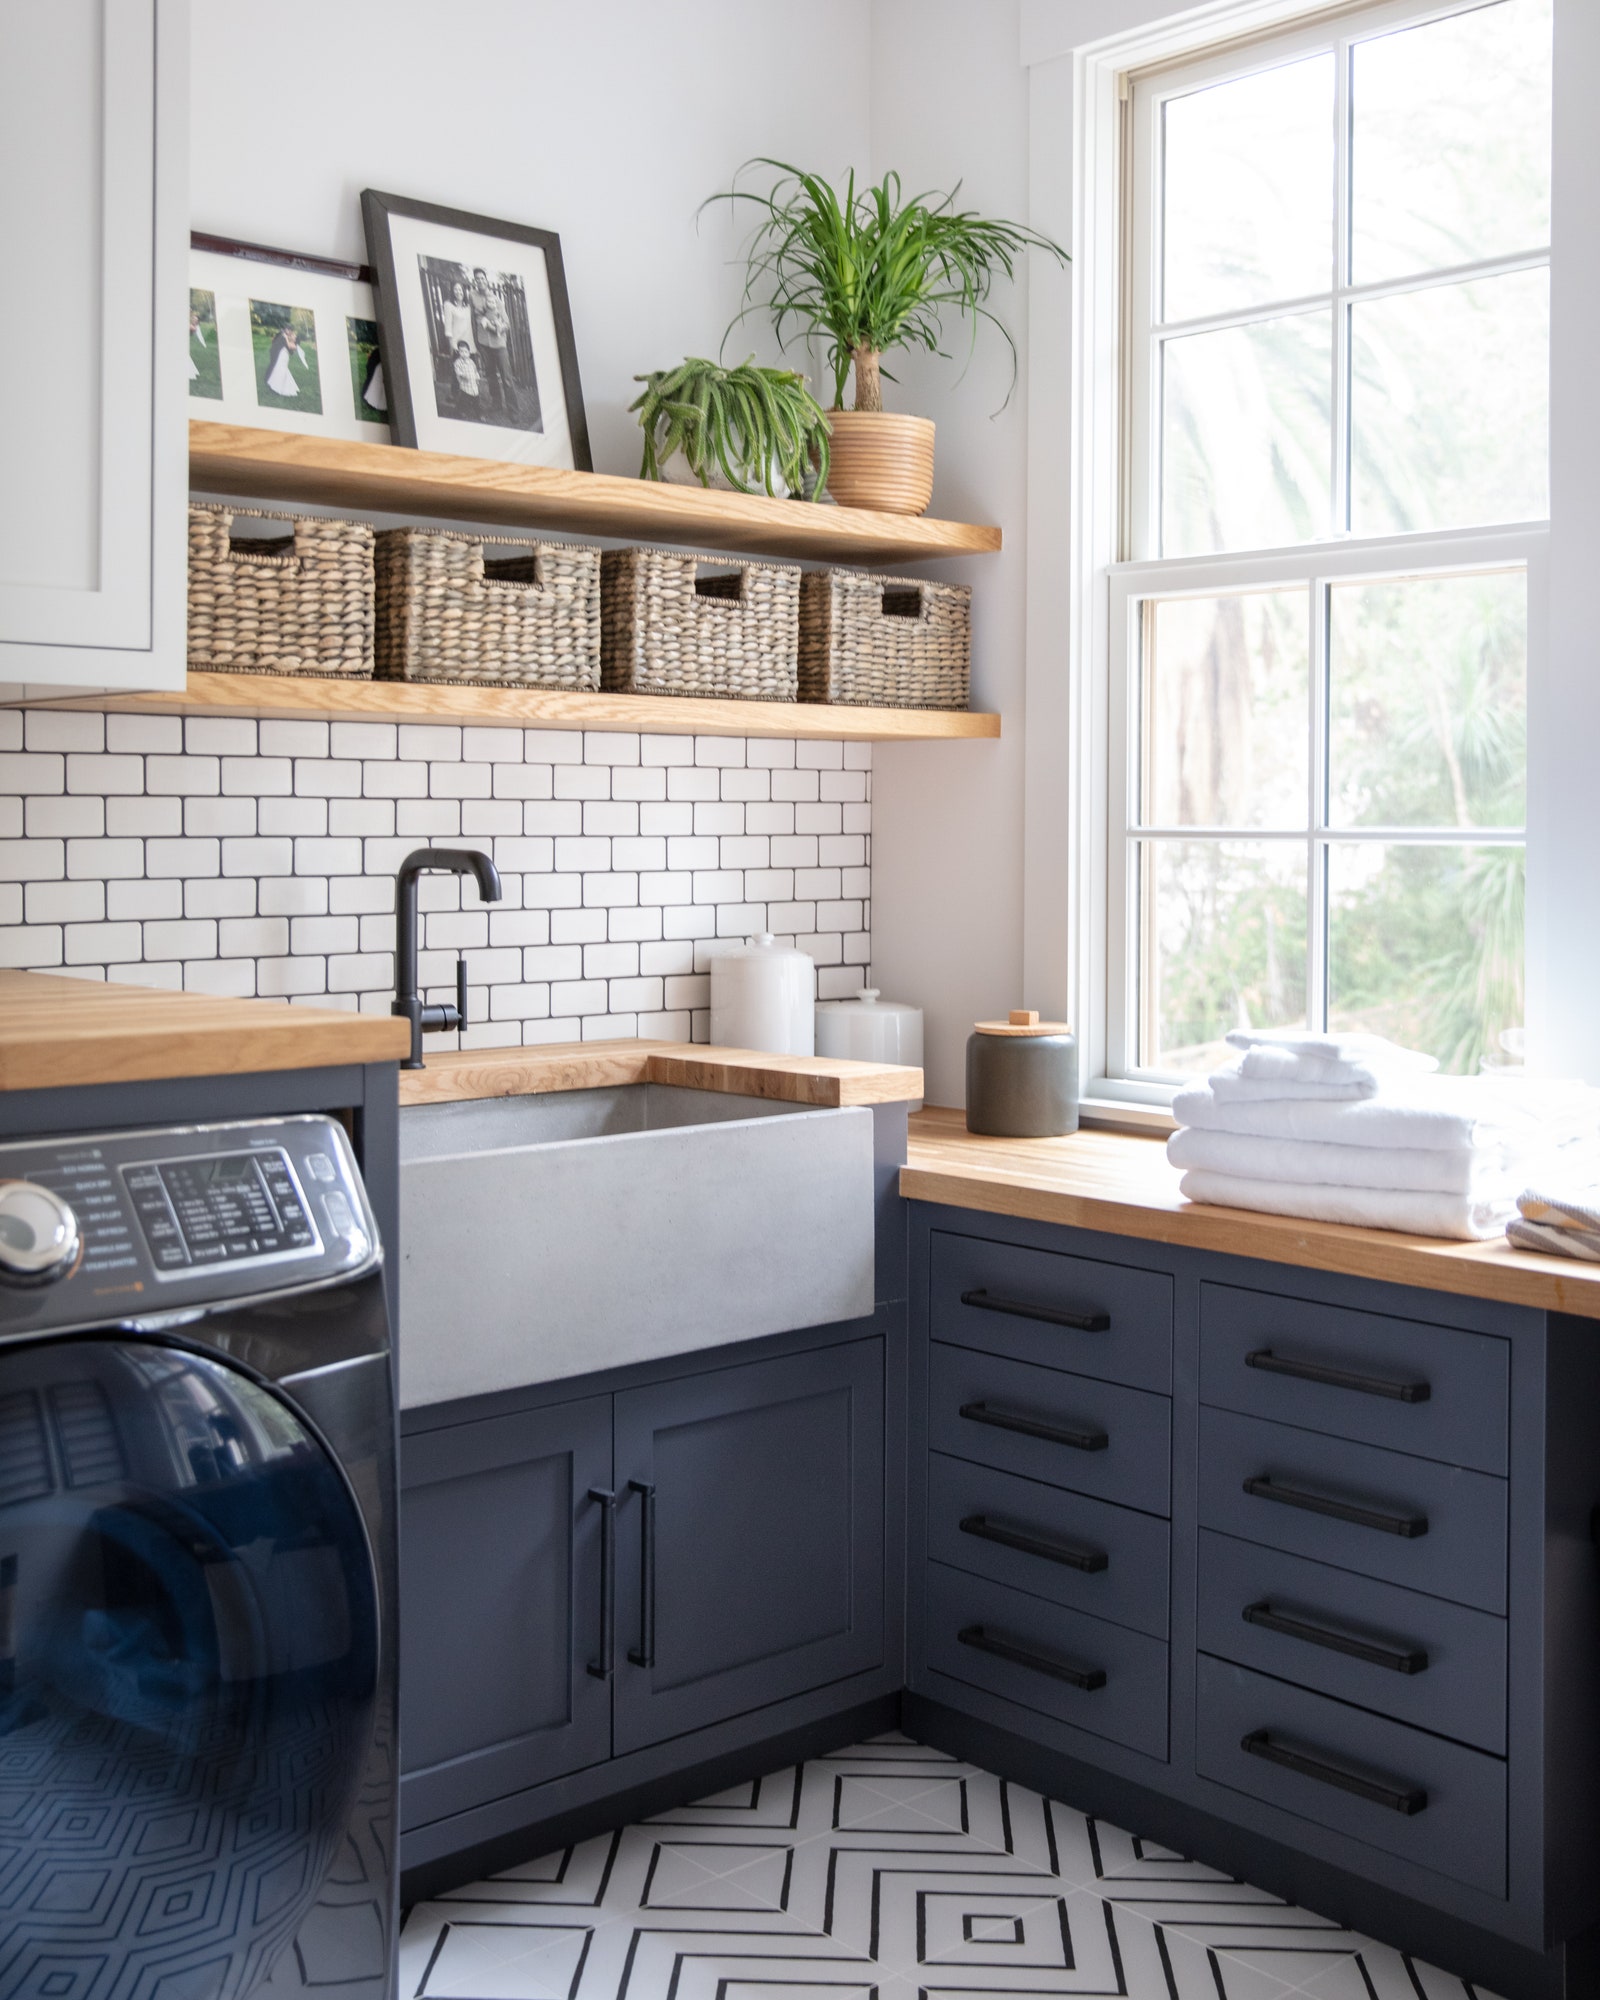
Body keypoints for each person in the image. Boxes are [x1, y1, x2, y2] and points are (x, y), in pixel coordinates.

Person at [469, 269, 513, 420]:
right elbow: (473, 318)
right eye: (477, 279)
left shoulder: (496, 300)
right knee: (490, 376)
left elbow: (507, 323)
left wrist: (496, 328)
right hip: (483, 343)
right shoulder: (472, 296)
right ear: (475, 281)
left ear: (486, 281)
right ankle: (497, 404)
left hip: (499, 344)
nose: (480, 281)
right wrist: (476, 340)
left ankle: (513, 410)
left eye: (482, 278)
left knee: (506, 377)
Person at [264, 323, 305, 399]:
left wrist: (286, 337)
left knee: (281, 370)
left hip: (284, 357)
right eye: (292, 334)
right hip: (280, 355)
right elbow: (277, 340)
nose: (293, 335)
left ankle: (278, 386)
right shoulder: (286, 337)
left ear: (296, 340)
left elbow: (289, 346)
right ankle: (273, 383)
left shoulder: (294, 345)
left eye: (294, 336)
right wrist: (286, 337)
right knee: (277, 369)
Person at [439, 278, 475, 361]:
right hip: (457, 345)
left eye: (460, 289)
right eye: (455, 289)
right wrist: (451, 345)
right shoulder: (448, 305)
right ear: (452, 291)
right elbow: (448, 327)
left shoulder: (468, 307)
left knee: (471, 371)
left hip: (470, 344)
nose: (458, 292)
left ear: (463, 291)